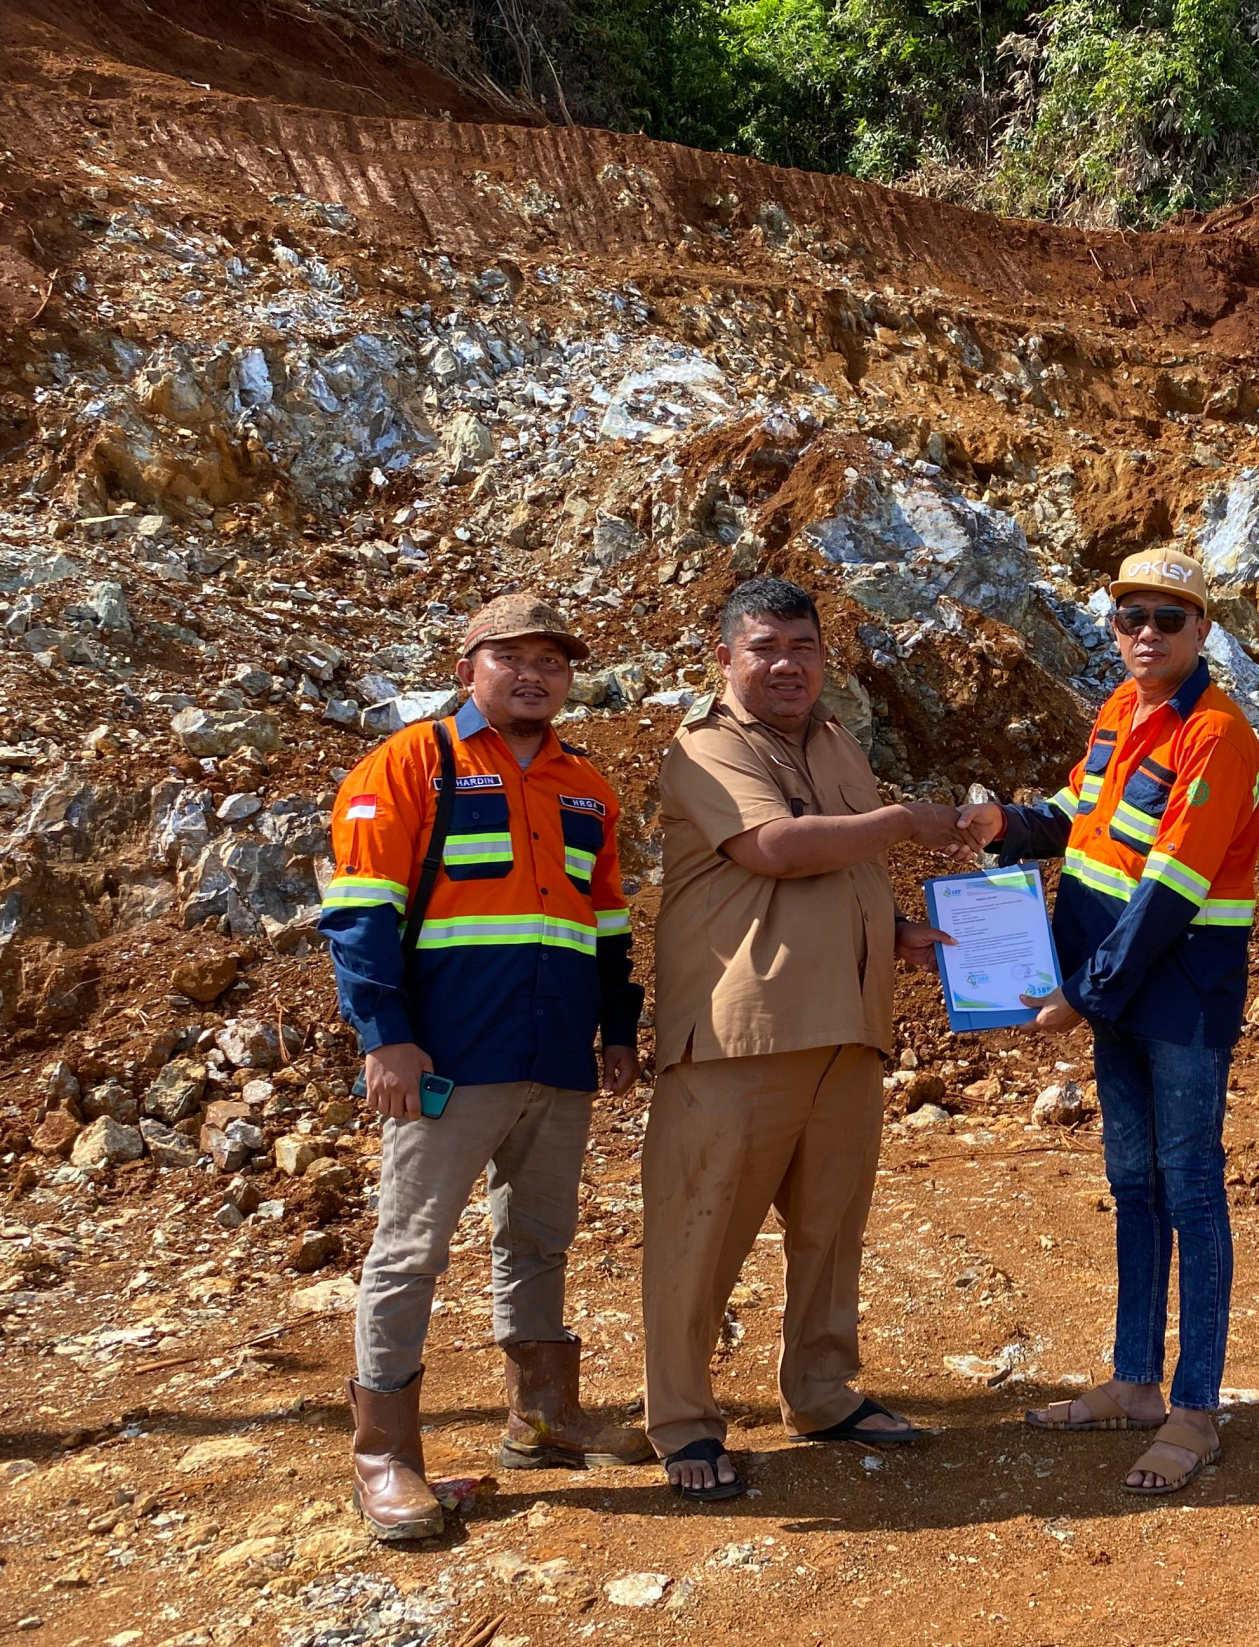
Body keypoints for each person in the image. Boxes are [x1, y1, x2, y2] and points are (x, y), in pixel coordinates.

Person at [320, 593, 652, 1544]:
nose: (535, 675)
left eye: (553, 660)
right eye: (513, 658)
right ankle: (385, 1457)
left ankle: (542, 1417)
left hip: (556, 1055)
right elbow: (360, 914)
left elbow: (608, 922)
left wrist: (617, 1030)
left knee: (539, 1240)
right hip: (449, 1059)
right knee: (410, 1253)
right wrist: (385, 1038)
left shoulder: (587, 787)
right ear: (468, 670)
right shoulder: (410, 764)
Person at [641, 575, 971, 1503]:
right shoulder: (704, 747)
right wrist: (904, 822)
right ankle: (683, 1420)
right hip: (742, 1033)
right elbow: (778, 849)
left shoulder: (834, 741)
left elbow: (843, 865)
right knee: (701, 1234)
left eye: (803, 648)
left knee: (831, 1229)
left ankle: (822, 1392)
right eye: (765, 648)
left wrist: (895, 929)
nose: (786, 665)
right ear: (726, 658)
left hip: (849, 1026)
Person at [964, 546, 1259, 1496]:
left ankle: (1196, 1408)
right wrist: (1007, 826)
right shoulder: (1120, 711)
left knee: (1191, 1191)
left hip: (1176, 996)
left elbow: (1173, 889)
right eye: (1131, 616)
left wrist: (1085, 993)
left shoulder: (1217, 736)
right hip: (1118, 990)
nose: (1147, 633)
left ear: (1202, 630)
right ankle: (1137, 1382)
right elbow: (1079, 813)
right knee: (1134, 1184)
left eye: (1168, 618)